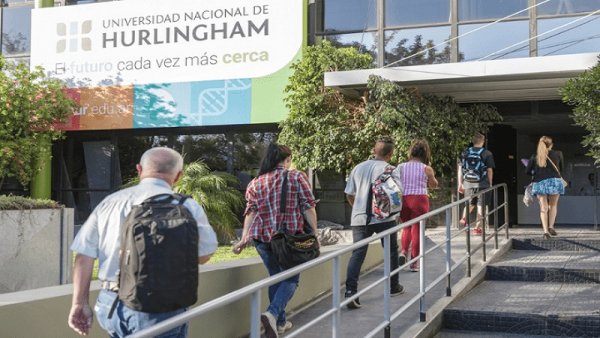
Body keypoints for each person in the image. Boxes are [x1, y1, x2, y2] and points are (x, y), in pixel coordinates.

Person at [68, 147, 218, 338]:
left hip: (110, 303)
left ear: (139, 169)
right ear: (178, 175)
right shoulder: (186, 206)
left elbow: (84, 257)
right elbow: (203, 255)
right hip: (159, 306)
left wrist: (79, 304)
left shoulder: (110, 202)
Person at [234, 143, 317, 338]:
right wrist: (314, 233)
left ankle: (279, 323)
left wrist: (245, 236)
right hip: (287, 239)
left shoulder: (256, 182)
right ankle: (272, 314)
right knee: (291, 278)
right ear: (287, 159)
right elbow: (308, 207)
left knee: (275, 277)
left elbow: (250, 211)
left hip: (262, 239)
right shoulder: (296, 176)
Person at [344, 137, 405, 310]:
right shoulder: (390, 169)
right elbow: (397, 195)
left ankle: (350, 292)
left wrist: (357, 207)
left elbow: (349, 193)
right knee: (391, 251)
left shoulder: (358, 167)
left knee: (357, 254)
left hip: (359, 218)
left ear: (374, 150)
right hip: (384, 219)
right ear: (390, 153)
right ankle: (393, 286)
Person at [396, 139, 438, 272]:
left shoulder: (401, 167)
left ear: (411, 153)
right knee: (417, 230)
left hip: (404, 199)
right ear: (425, 154)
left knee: (406, 227)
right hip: (420, 199)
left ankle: (403, 251)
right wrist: (432, 179)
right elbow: (433, 185)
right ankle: (414, 262)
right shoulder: (427, 168)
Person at [525, 136, 564, 240]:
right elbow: (561, 168)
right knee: (553, 205)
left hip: (540, 183)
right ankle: (551, 226)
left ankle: (545, 232)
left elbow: (527, 171)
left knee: (543, 208)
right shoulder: (558, 154)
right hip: (555, 181)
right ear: (551, 145)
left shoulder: (534, 156)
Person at [458, 133, 495, 235]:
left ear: (473, 141)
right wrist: (490, 184)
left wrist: (460, 184)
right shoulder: (487, 153)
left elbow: (460, 170)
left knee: (470, 204)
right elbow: (489, 170)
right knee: (481, 206)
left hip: (468, 183)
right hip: (483, 184)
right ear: (482, 142)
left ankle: (463, 220)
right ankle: (477, 229)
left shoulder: (465, 152)